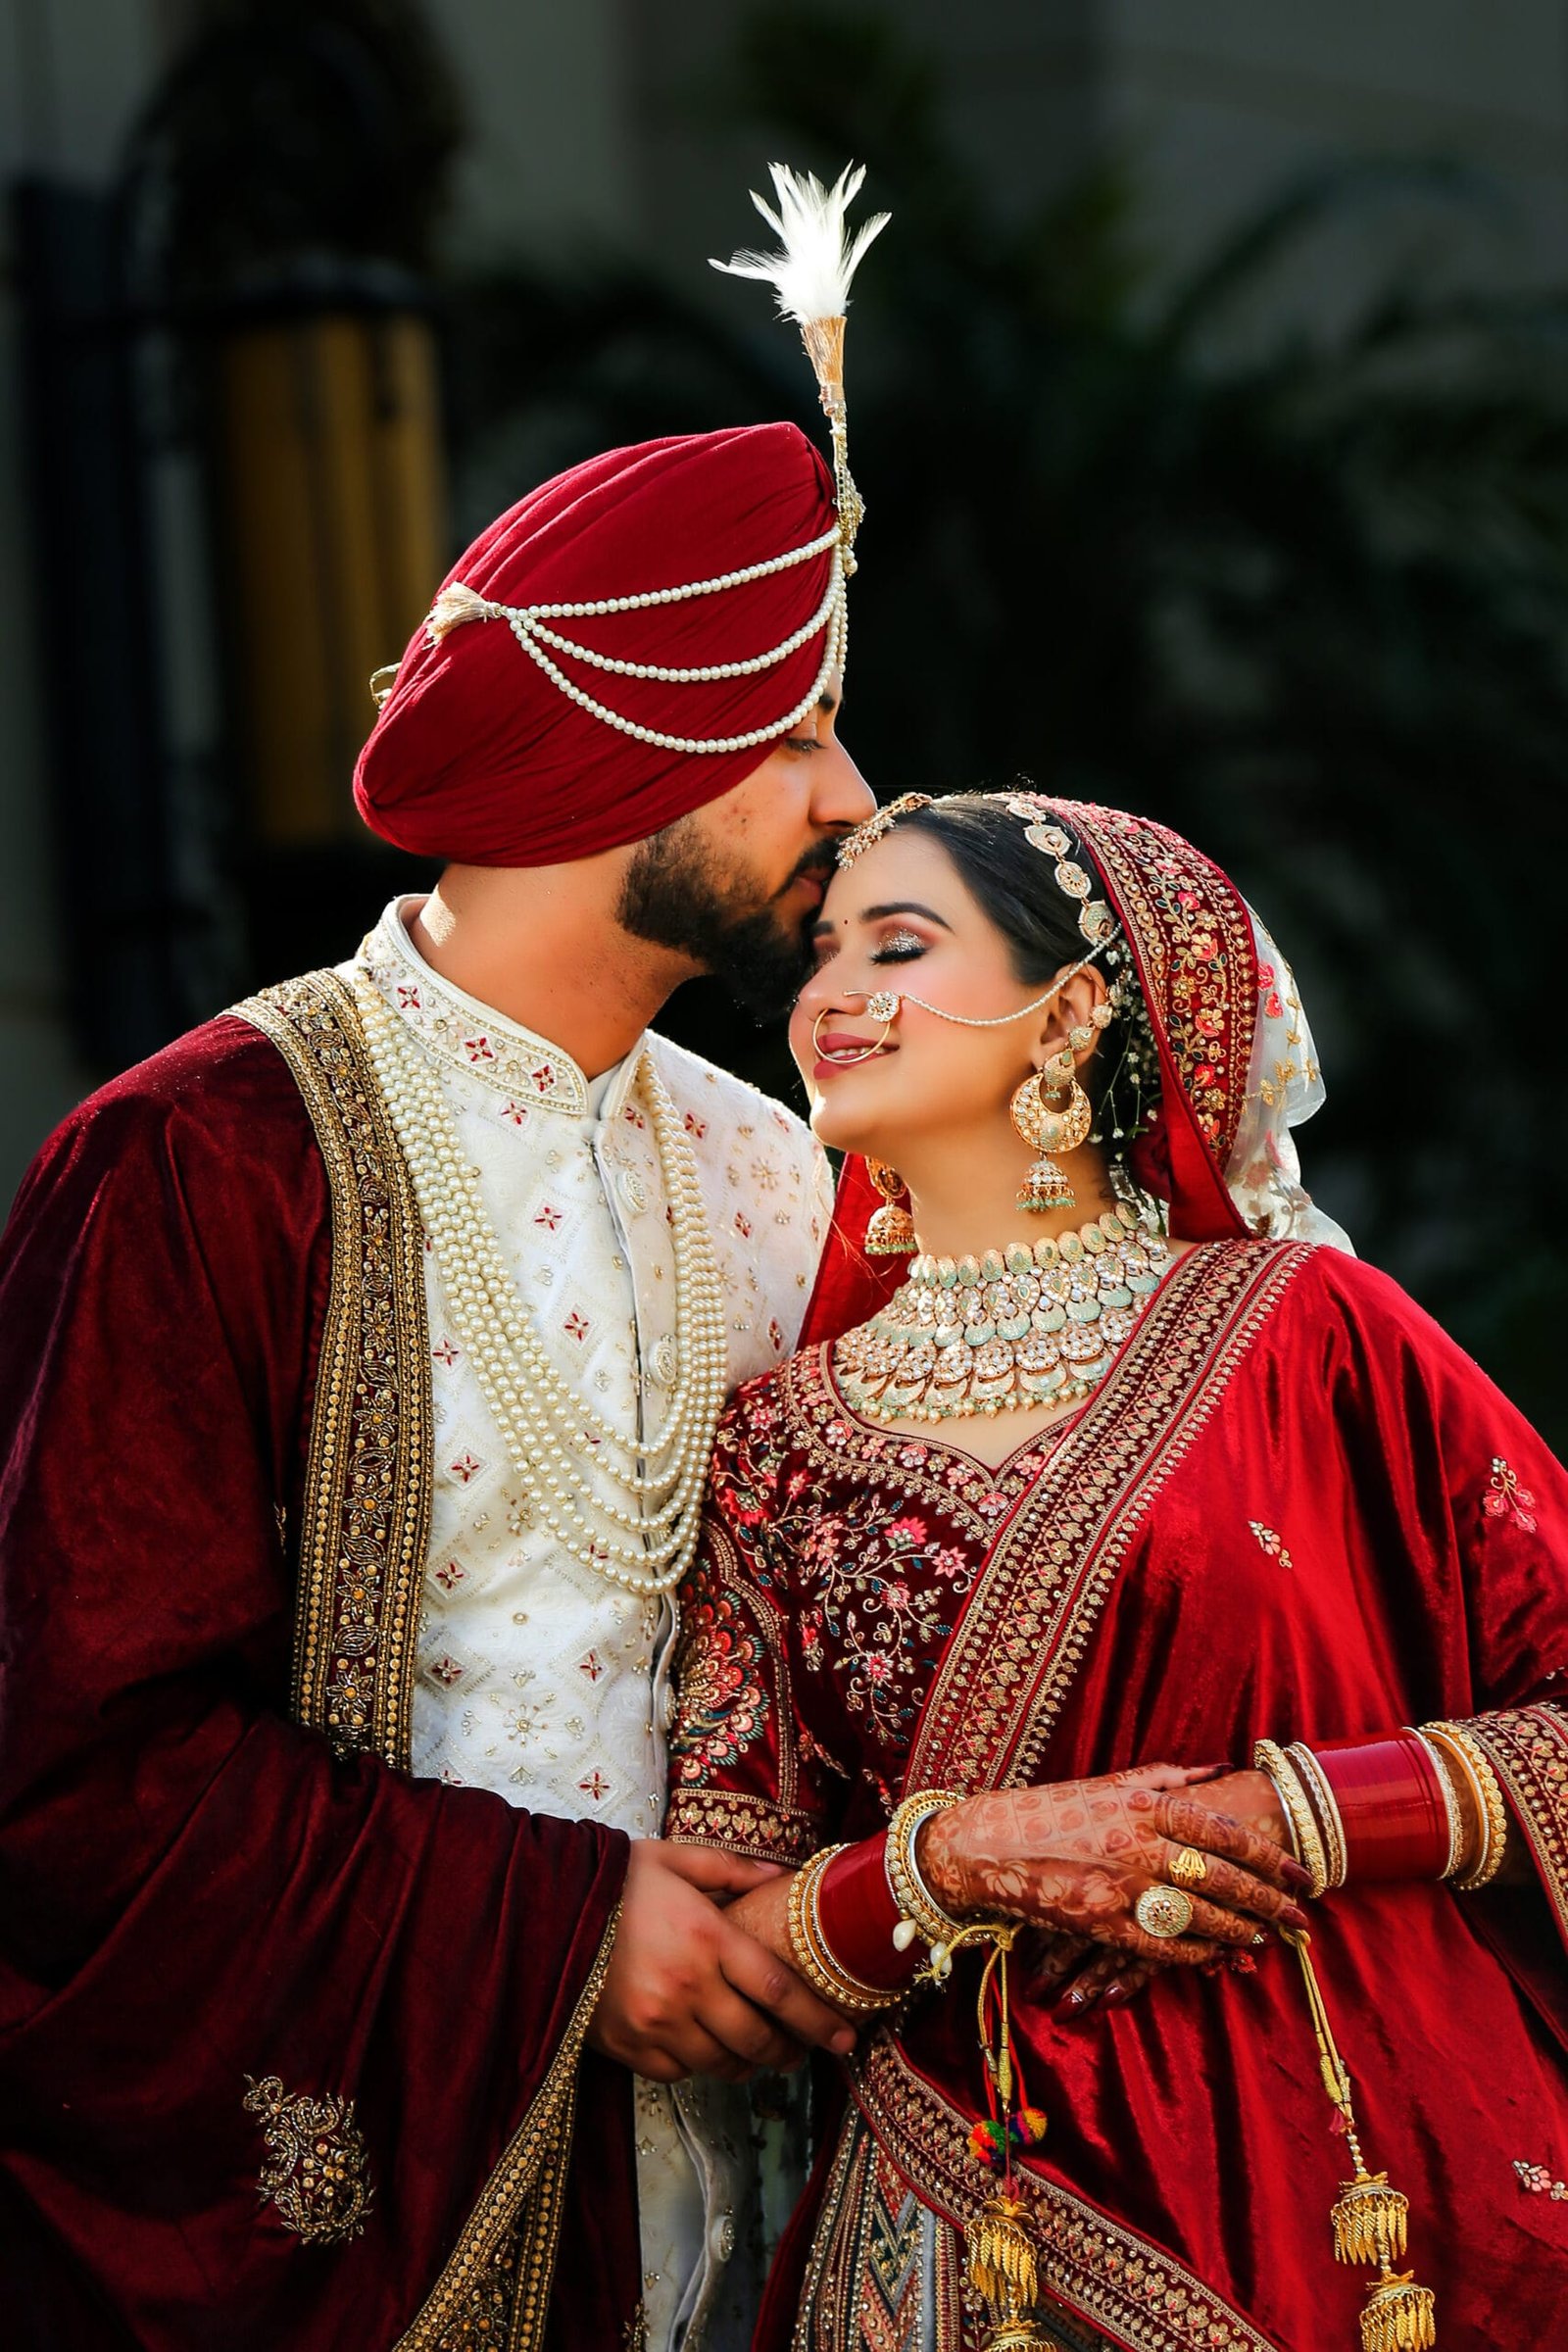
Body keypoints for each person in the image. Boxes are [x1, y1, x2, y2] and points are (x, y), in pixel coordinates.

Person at [0, 383, 899, 2352]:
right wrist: (566, 1938)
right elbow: (74, 1767)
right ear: (625, 745)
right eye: (797, 734)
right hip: (356, 2202)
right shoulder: (209, 1157)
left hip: (742, 2197)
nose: (849, 802)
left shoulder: (780, 1174)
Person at [667, 789, 1568, 2352]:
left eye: (898, 942)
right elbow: (736, 1949)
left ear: (1071, 1008)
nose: (828, 995)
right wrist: (957, 1861)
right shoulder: (771, 1441)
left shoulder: (1307, 1332)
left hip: (1353, 2193)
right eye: (819, 953)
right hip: (971, 2236)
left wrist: (1292, 1812)